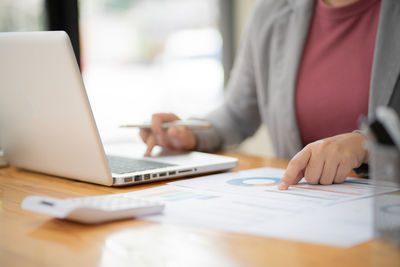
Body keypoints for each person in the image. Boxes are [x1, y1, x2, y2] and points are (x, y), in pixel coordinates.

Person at [140, 0, 400, 190]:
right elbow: (237, 112)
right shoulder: (271, 12)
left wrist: (366, 145)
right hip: (301, 204)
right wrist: (188, 133)